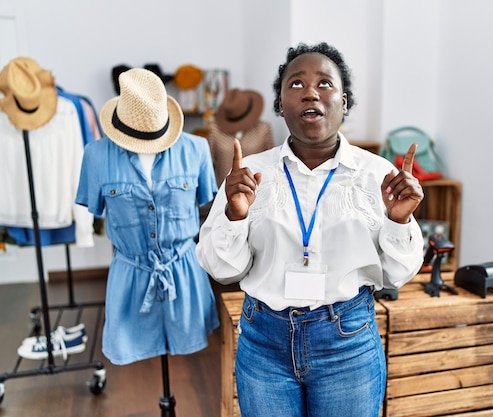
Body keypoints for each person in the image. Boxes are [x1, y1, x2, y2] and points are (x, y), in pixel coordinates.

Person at [196, 42, 424, 417]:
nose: (311, 93)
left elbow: (396, 275)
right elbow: (224, 270)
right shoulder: (249, 175)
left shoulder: (377, 175)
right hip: (263, 341)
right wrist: (236, 216)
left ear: (345, 102)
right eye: (296, 84)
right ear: (281, 104)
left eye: (324, 83)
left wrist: (398, 219)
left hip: (346, 343)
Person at [76, 68, 220, 366]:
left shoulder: (196, 149)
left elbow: (208, 202)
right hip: (130, 277)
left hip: (184, 273)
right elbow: (95, 208)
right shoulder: (96, 155)